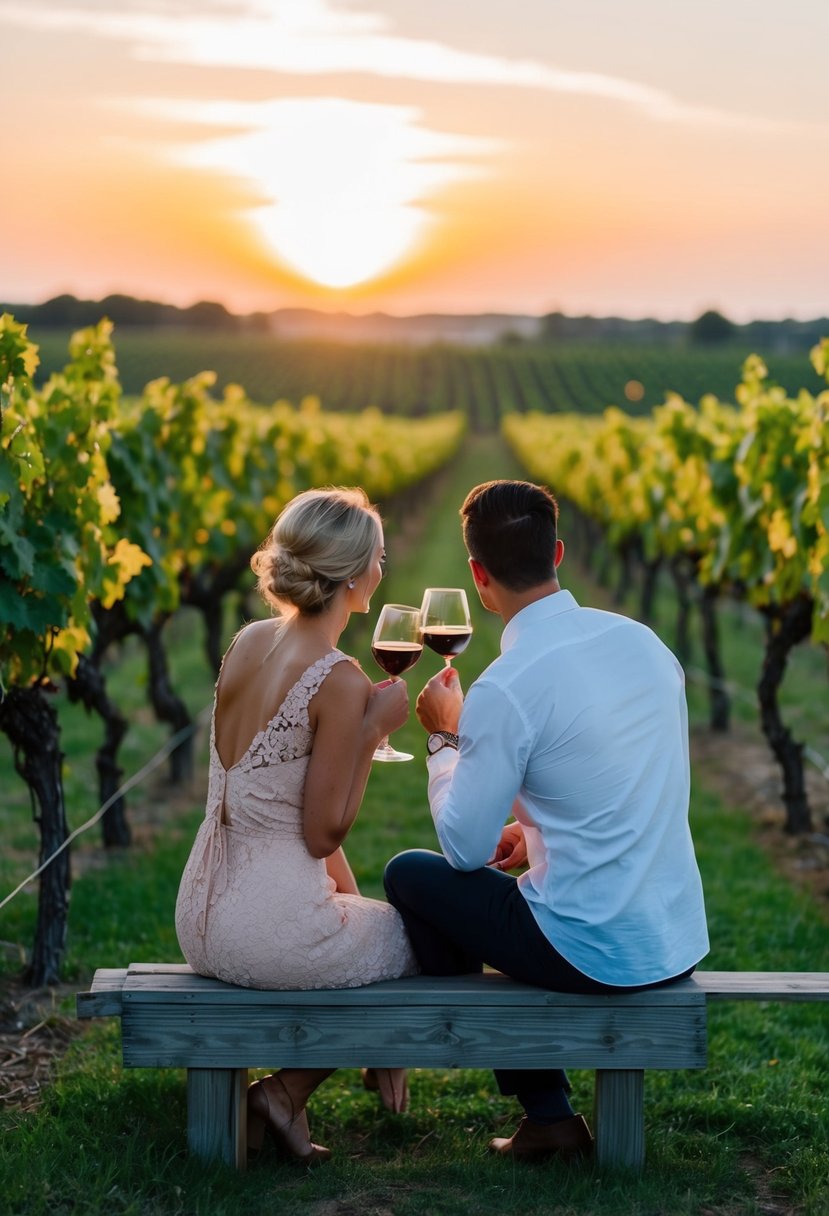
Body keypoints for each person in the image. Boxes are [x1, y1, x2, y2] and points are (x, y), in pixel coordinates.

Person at [384, 479, 709, 1162]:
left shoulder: (506, 684)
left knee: (412, 873)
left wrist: (444, 739)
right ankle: (545, 1113)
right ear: (556, 552)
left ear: (477, 577)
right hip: (671, 936)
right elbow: (619, 786)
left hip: (595, 952)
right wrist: (531, 835)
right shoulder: (643, 642)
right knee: (476, 888)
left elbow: (463, 850)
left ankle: (529, 1096)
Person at [175, 486, 418, 1165]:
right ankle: (285, 1092)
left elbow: (274, 808)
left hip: (201, 915)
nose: (384, 563)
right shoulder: (337, 678)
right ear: (352, 574)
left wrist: (348, 896)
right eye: (379, 553)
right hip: (264, 930)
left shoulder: (248, 641)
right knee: (429, 935)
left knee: (372, 922)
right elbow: (321, 833)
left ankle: (294, 1095)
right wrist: (372, 730)